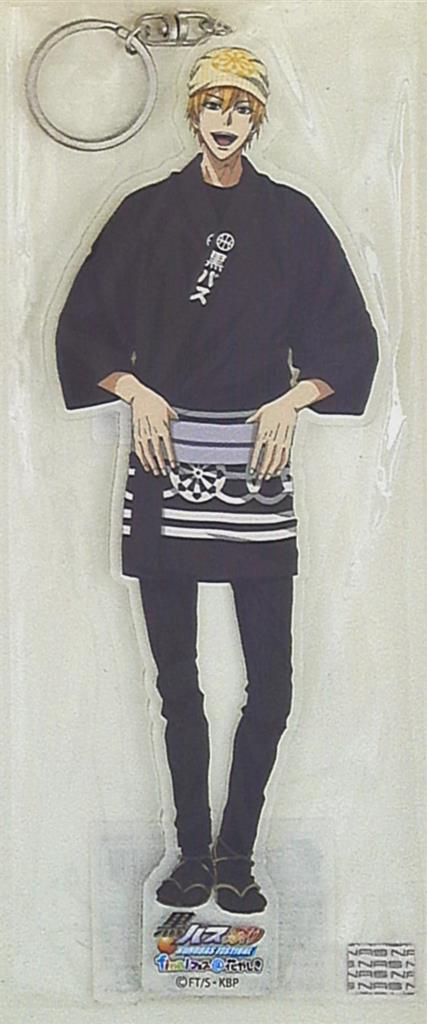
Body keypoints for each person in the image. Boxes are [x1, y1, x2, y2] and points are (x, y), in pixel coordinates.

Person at [56, 47, 378, 914]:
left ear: (258, 118)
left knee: (270, 682)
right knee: (177, 683)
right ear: (192, 114)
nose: (226, 120)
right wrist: (133, 391)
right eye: (212, 104)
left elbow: (348, 340)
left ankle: (238, 856)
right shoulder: (147, 212)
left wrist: (294, 400)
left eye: (241, 106)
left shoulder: (290, 217)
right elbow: (82, 328)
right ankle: (191, 856)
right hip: (164, 461)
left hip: (255, 469)